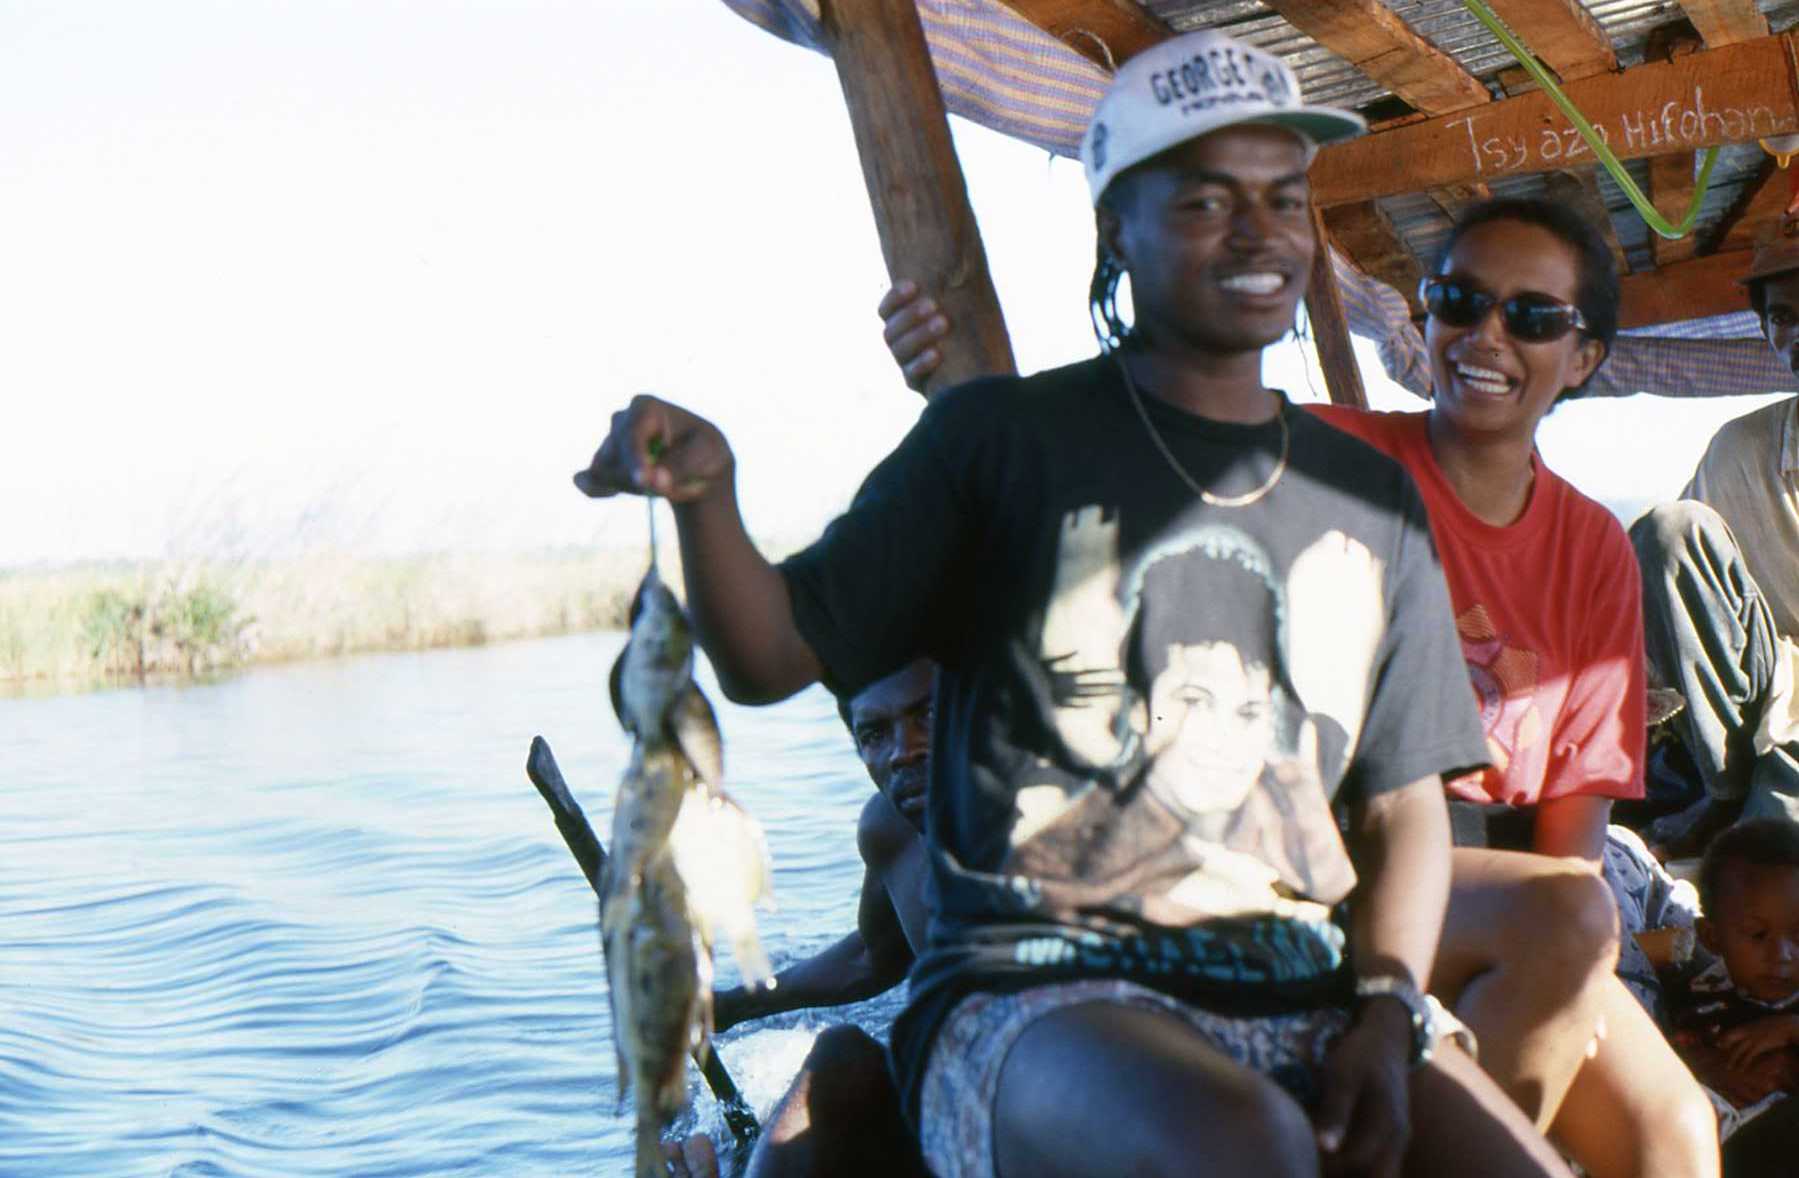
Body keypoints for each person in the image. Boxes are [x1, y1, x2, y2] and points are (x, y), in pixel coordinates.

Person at [581, 28, 1571, 1178]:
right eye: (1203, 200)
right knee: (1245, 1146)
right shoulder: (997, 443)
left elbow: (1404, 806)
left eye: (1281, 196)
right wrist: (707, 493)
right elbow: (762, 654)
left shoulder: (1367, 497)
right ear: (1117, 228)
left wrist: (1387, 1005)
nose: (1256, 231)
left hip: (1303, 979)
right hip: (1032, 994)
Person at [879, 195, 1720, 1175]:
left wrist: (1575, 971)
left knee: (1673, 1130)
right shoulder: (1319, 452)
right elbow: (1111, 450)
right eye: (1457, 301)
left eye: (1530, 318)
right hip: (1317, 845)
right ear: (1425, 317)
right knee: (1557, 924)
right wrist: (953, 380)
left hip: (1486, 881)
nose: (1485, 335)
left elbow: (1572, 837)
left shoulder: (1588, 547)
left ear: (1580, 357)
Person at [711, 660, 935, 1178]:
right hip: (956, 1080)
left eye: (928, 715)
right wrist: (726, 1008)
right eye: (875, 733)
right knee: (837, 1058)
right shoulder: (888, 827)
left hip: (1050, 1080)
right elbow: (873, 956)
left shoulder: (1038, 814)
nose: (905, 750)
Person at [1632, 209, 1799, 859]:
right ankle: (1723, 792)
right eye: (1782, 317)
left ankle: (1753, 807)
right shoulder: (1740, 446)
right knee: (1671, 528)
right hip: (1770, 681)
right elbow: (1677, 594)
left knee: (1772, 855)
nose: (1798, 333)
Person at [1664, 817, 1799, 1175]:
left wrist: (1791, 1029)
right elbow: (1674, 1058)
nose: (1783, 955)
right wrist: (1711, 1070)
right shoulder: (1700, 995)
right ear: (1712, 937)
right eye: (1757, 935)